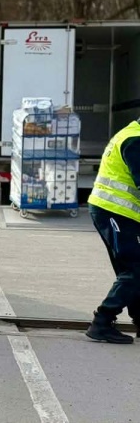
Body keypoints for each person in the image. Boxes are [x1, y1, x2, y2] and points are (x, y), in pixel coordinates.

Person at [84, 118, 140, 344]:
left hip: (119, 212)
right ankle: (102, 322)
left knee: (132, 269)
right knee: (135, 268)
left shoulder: (132, 133)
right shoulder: (134, 140)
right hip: (116, 211)